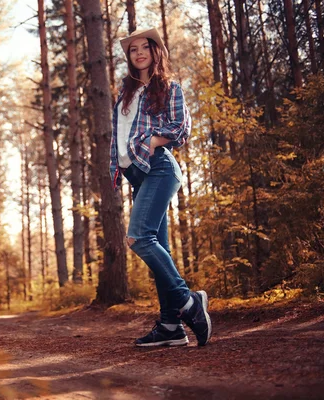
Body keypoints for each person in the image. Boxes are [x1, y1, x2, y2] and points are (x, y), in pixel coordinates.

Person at [110, 28, 212, 347]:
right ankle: (170, 326)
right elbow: (118, 137)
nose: (138, 52)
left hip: (160, 167)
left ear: (156, 52)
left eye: (145, 47)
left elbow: (181, 126)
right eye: (133, 49)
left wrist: (152, 141)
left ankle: (189, 303)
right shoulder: (125, 95)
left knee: (139, 238)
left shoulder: (168, 87)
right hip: (138, 174)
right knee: (160, 250)